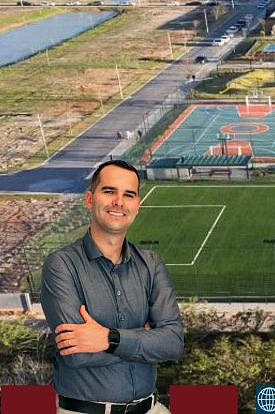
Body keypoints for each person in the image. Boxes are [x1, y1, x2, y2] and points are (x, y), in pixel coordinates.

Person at [40, 160, 183, 414]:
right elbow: (76, 354)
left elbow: (172, 343)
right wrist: (144, 337)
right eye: (109, 191)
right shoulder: (61, 265)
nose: (119, 201)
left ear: (137, 206)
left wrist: (107, 338)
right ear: (89, 199)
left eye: (128, 195)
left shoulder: (151, 264)